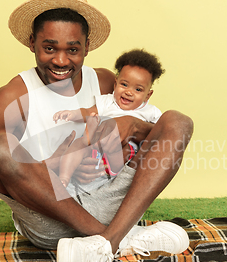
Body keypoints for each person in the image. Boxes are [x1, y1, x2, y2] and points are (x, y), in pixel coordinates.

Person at [0, 0, 194, 262]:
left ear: (86, 46)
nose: (60, 61)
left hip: (111, 198)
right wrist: (51, 165)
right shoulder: (12, 97)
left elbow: (156, 138)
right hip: (51, 213)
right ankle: (118, 240)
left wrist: (133, 126)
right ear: (32, 43)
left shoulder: (106, 81)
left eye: (72, 49)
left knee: (178, 122)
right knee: (0, 148)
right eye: (49, 48)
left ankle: (104, 242)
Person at [53, 48, 165, 187]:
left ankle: (109, 171)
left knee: (125, 149)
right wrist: (73, 114)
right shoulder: (108, 102)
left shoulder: (150, 112)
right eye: (124, 84)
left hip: (124, 151)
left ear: (148, 95)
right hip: (96, 145)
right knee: (78, 145)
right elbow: (89, 111)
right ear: (115, 83)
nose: (129, 92)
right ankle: (64, 177)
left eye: (138, 89)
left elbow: (161, 133)